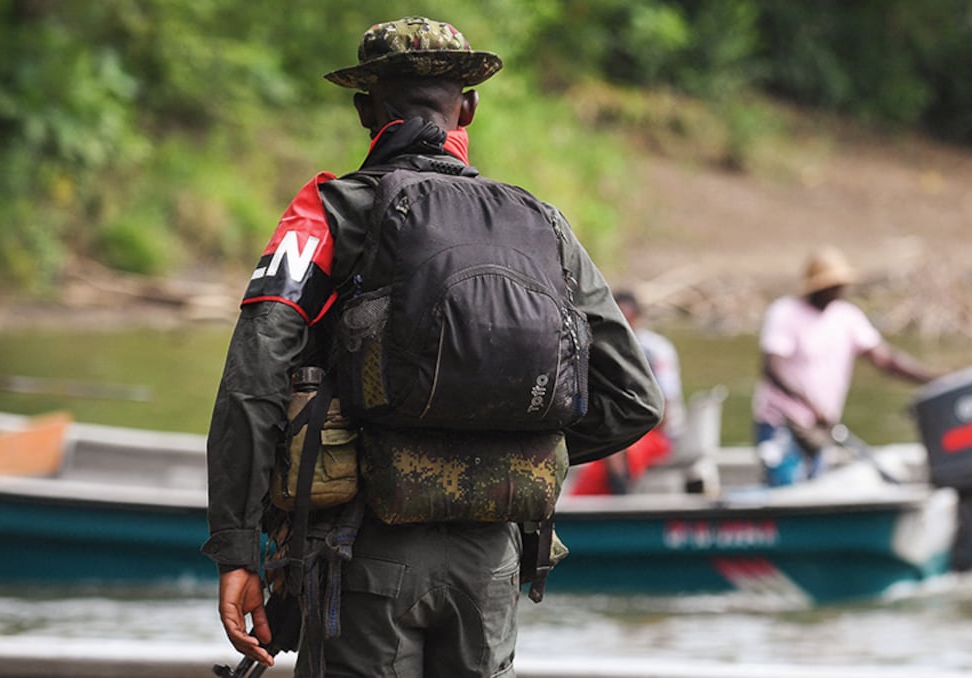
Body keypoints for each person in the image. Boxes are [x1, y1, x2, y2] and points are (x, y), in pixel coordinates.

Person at [202, 16, 662, 678]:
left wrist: (238, 550)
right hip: (492, 570)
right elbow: (635, 400)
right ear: (468, 106)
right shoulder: (543, 225)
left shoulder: (329, 211)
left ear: (367, 109)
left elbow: (252, 383)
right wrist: (501, 455)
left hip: (361, 559)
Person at [751, 246, 936, 486]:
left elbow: (885, 359)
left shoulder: (847, 317)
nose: (838, 290)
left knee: (814, 489)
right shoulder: (785, 312)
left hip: (821, 428)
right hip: (783, 425)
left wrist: (930, 378)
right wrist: (809, 404)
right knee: (786, 489)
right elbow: (772, 368)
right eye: (832, 284)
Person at [569, 291, 685, 495]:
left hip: (654, 433)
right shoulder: (601, 347)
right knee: (598, 463)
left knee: (617, 452)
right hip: (620, 430)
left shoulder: (655, 350)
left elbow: (663, 412)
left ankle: (621, 504)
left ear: (637, 319)